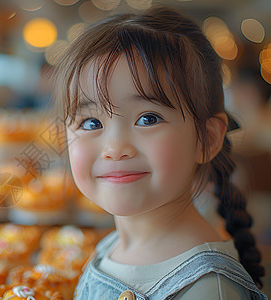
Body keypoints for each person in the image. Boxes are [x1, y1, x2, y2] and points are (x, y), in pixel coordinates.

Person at [52, 5, 267, 300]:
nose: (115, 149)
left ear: (207, 138)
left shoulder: (206, 289)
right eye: (91, 122)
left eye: (148, 118)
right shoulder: (110, 247)